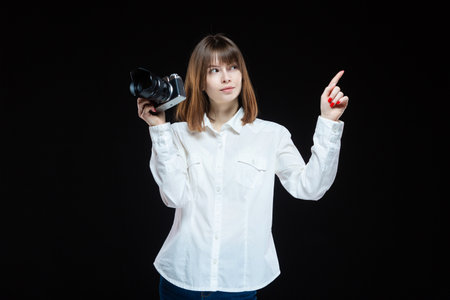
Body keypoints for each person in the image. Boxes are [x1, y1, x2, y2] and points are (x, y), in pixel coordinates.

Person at [137, 33, 349, 300]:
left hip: (238, 285)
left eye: (233, 67)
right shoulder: (176, 135)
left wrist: (328, 121)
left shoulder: (271, 135)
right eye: (214, 70)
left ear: (242, 74)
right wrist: (159, 131)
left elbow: (310, 187)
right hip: (179, 280)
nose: (227, 77)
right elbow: (174, 197)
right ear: (200, 81)